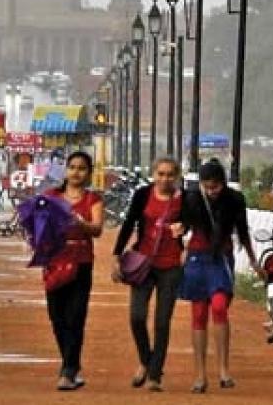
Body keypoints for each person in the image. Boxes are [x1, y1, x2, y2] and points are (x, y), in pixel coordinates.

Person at [170, 159, 263, 393]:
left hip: (221, 259)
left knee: (220, 307)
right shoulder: (191, 198)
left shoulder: (234, 200)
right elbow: (179, 226)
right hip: (197, 258)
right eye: (207, 187)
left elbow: (242, 233)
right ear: (200, 184)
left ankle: (224, 369)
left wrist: (253, 261)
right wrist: (179, 243)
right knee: (199, 313)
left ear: (223, 183)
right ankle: (200, 374)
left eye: (215, 187)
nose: (211, 191)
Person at [112, 157, 183, 392]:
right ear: (154, 174)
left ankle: (154, 375)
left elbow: (193, 225)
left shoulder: (184, 200)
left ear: (177, 176)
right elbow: (129, 222)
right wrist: (116, 256)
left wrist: (185, 231)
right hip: (143, 263)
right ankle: (146, 359)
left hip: (171, 266)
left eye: (170, 175)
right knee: (137, 316)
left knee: (162, 322)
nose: (165, 179)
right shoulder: (143, 195)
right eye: (160, 174)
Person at [43, 150, 104, 390]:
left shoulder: (93, 200)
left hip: (80, 262)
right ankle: (72, 365)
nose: (76, 172)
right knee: (57, 317)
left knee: (76, 317)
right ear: (65, 170)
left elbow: (97, 229)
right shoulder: (50, 196)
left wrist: (81, 224)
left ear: (88, 173)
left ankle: (67, 371)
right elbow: (36, 225)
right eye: (72, 167)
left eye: (82, 168)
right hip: (54, 262)